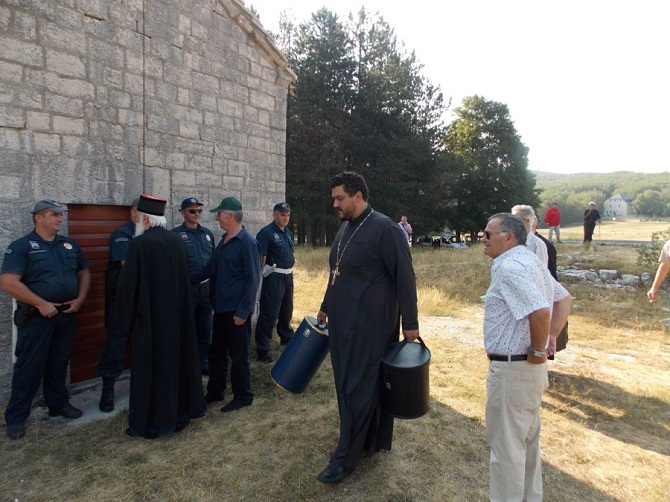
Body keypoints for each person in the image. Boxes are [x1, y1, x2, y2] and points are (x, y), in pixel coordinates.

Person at [315, 171, 419, 484]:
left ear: (358, 195)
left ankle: (345, 458)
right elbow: (337, 272)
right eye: (334, 198)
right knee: (350, 385)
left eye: (340, 198)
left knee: (357, 388)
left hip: (372, 326)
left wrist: (410, 324)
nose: (335, 204)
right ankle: (370, 441)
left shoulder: (386, 229)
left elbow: (405, 278)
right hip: (343, 323)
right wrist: (325, 305)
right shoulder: (344, 227)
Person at [481, 213, 572, 501]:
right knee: (528, 444)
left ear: (508, 238)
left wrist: (538, 349)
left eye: (487, 234)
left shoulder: (509, 267)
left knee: (507, 450)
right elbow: (564, 299)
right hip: (527, 373)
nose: (482, 239)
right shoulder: (530, 260)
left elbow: (541, 310)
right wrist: (551, 337)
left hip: (513, 370)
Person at [116, 194, 206, 438]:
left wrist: (122, 323)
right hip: (178, 320)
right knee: (177, 367)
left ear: (145, 219)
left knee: (152, 371)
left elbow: (127, 288)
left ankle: (153, 423)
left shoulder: (140, 244)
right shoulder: (176, 241)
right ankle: (179, 415)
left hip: (150, 322)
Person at [2, 200, 91, 440]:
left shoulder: (69, 245)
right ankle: (16, 417)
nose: (61, 219)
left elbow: (84, 272)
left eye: (62, 215)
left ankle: (58, 404)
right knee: (29, 367)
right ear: (38, 218)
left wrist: (80, 299)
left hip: (66, 314)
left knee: (59, 362)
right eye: (55, 215)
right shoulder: (21, 247)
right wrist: (41, 304)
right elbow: (8, 282)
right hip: (37, 317)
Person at [192, 196, 260, 412]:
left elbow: (253, 279)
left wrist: (243, 311)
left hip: (236, 312)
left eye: (219, 214)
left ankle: (243, 396)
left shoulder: (247, 243)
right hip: (220, 308)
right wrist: (184, 279)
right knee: (216, 352)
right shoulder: (223, 241)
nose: (216, 217)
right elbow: (209, 268)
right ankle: (215, 391)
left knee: (239, 357)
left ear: (230, 216)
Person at [97, 197, 139, 412]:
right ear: (133, 212)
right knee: (116, 344)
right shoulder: (122, 234)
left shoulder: (150, 234)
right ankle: (108, 390)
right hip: (122, 300)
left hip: (143, 299)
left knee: (143, 342)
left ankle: (142, 385)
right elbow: (128, 265)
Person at [173, 197, 216, 374]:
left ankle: (202, 361)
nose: (196, 214)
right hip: (187, 288)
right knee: (185, 327)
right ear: (182, 213)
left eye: (199, 211)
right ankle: (185, 363)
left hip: (205, 288)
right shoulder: (175, 236)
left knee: (205, 327)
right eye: (192, 211)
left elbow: (213, 260)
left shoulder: (208, 234)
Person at [254, 201, 295, 362]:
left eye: (288, 215)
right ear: (274, 215)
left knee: (286, 310)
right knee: (269, 313)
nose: (285, 218)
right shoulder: (266, 233)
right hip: (274, 277)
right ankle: (263, 348)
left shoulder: (288, 233)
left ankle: (286, 338)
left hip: (288, 276)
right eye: (282, 215)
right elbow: (260, 257)